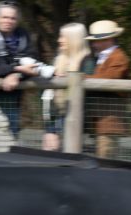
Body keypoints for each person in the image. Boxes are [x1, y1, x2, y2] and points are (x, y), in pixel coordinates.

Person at [0, 1, 40, 135]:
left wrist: (17, 75)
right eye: (4, 17)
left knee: (10, 136)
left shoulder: (23, 35)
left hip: (11, 97)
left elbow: (33, 63)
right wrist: (16, 69)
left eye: (12, 18)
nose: (8, 21)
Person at [41, 23, 91, 152]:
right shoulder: (58, 61)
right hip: (57, 122)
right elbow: (48, 99)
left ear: (74, 39)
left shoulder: (88, 62)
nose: (59, 40)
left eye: (63, 37)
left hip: (79, 127)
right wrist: (50, 129)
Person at [85, 20, 130, 159]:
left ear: (109, 39)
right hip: (101, 116)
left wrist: (82, 77)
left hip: (111, 117)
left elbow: (108, 78)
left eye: (97, 41)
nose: (94, 44)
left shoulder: (119, 57)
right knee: (102, 154)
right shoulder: (103, 57)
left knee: (107, 156)